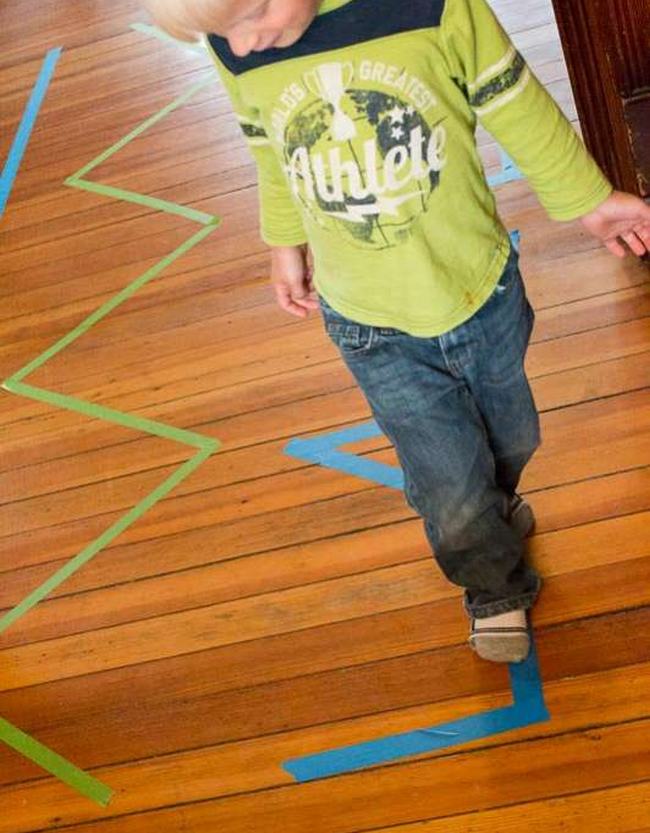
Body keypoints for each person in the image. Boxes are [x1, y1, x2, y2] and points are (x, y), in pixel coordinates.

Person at [144, 0, 650, 662]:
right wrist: (284, 241)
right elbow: (267, 144)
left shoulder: (431, 8)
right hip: (369, 323)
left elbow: (513, 101)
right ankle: (492, 586)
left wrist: (588, 200)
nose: (246, 42)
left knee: (514, 436)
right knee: (448, 478)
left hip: (481, 289)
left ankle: (487, 515)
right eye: (222, 34)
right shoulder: (239, 46)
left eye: (254, 12)